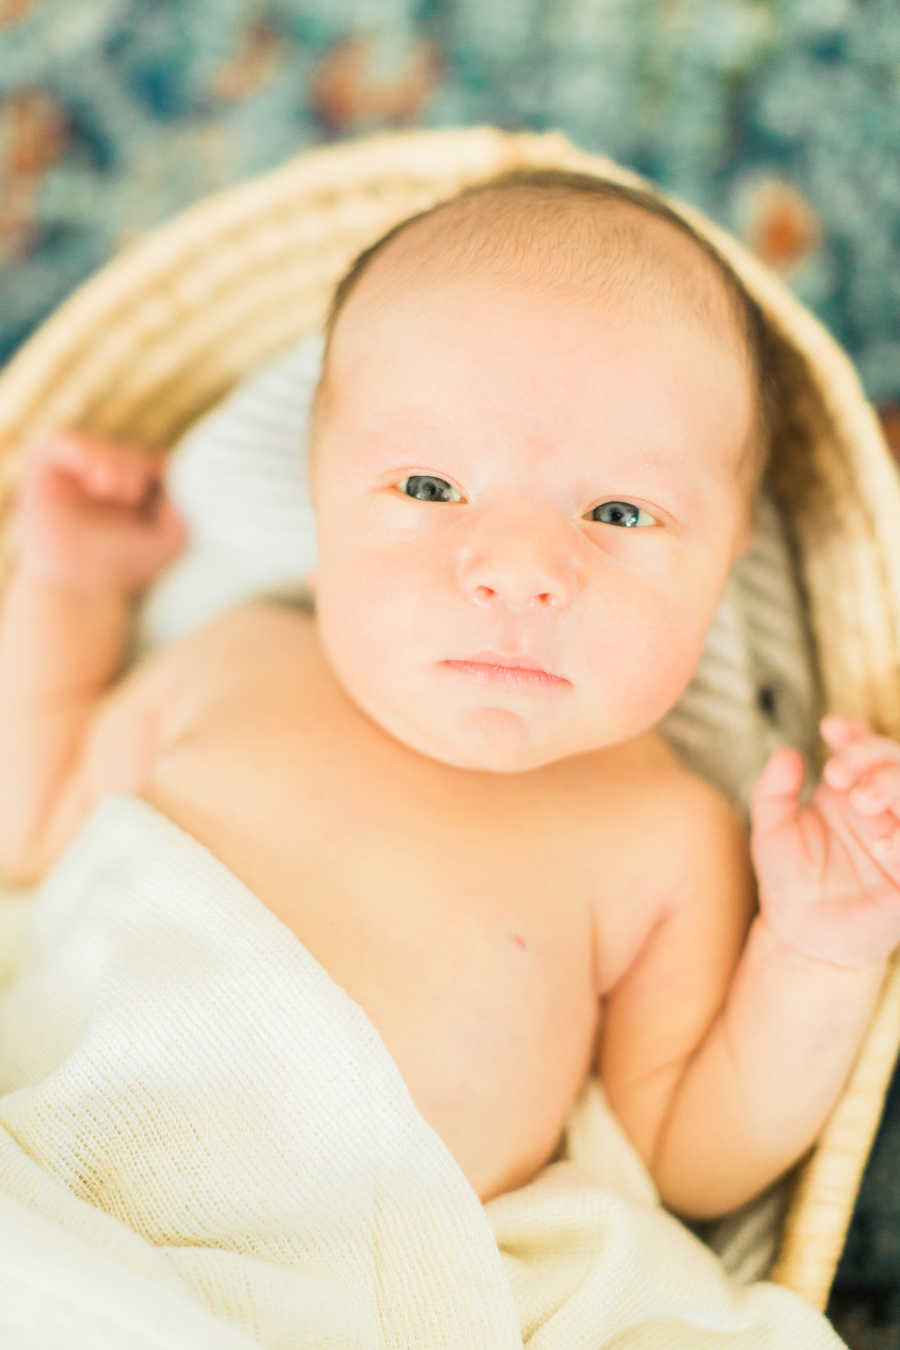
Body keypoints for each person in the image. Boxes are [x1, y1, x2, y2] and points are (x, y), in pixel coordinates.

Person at [2, 168, 899, 1223]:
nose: (516, 571)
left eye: (619, 511)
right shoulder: (236, 660)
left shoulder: (668, 837)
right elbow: (29, 822)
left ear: (730, 557)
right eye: (430, 489)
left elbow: (688, 1163)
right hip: (49, 1190)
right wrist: (73, 582)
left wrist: (819, 953)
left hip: (349, 1293)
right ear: (318, 497)